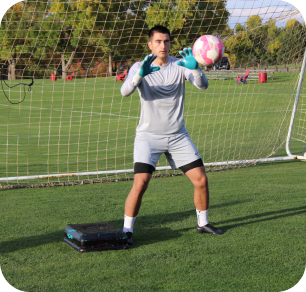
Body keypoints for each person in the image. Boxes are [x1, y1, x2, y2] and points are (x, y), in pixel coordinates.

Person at [120, 25, 223, 245]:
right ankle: (127, 230)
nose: (162, 45)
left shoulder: (180, 64)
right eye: (158, 41)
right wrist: (140, 75)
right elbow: (124, 91)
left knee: (201, 180)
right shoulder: (141, 66)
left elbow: (203, 86)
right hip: (148, 137)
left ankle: (203, 223)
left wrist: (195, 69)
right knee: (141, 183)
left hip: (177, 136)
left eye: (166, 41)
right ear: (150, 44)